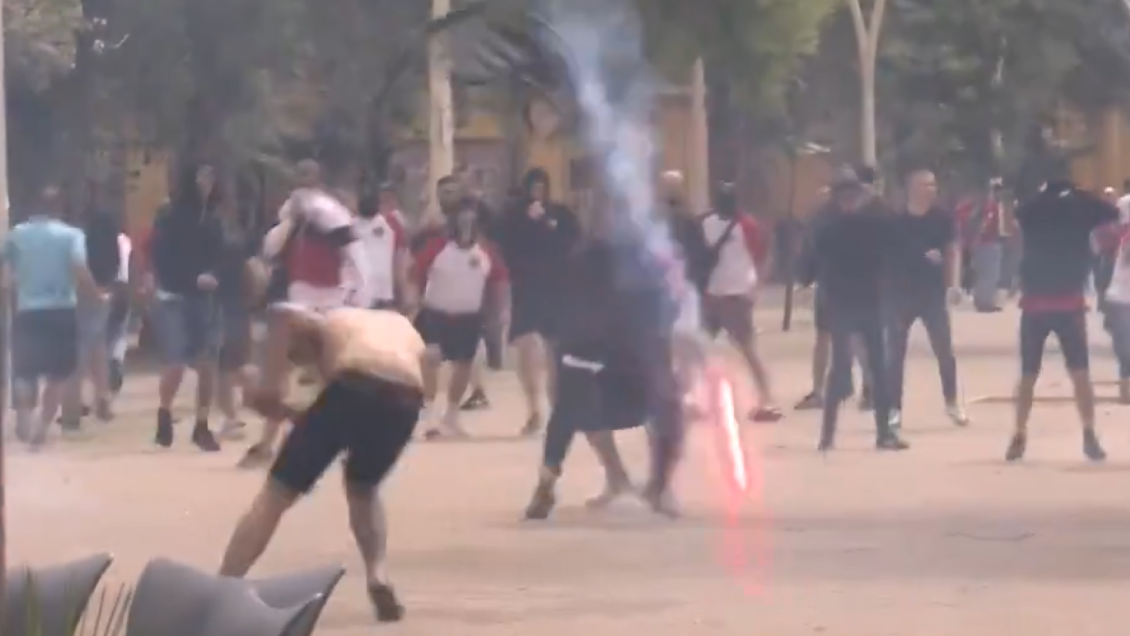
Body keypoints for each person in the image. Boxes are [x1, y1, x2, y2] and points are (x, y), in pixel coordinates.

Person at [218, 306, 423, 623]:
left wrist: (270, 385)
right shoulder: (392, 328)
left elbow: (281, 314)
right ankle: (377, 576)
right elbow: (337, 412)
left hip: (355, 381)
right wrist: (291, 413)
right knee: (363, 488)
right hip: (408, 395)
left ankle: (224, 588)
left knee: (276, 495)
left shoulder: (331, 318)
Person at [524, 196, 685, 519]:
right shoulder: (624, 258)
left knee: (571, 414)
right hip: (608, 348)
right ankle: (638, 483)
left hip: (605, 348)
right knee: (577, 412)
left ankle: (654, 485)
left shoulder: (590, 256)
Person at [240, 176, 370, 467]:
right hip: (302, 301)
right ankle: (267, 444)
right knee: (282, 370)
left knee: (332, 375)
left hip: (333, 304)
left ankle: (344, 441)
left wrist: (357, 301)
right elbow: (270, 249)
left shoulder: (342, 234)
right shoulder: (294, 228)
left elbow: (357, 270)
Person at [1006, 179, 1116, 462]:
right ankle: (1089, 434)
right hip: (1069, 302)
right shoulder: (1082, 206)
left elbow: (1017, 216)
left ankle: (1019, 433)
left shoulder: (1033, 207)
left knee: (1029, 374)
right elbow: (1111, 213)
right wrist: (1080, 192)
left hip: (1036, 302)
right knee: (1080, 373)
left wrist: (1043, 191)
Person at [799, 169, 908, 452]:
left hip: (843, 303)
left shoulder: (826, 225)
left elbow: (808, 263)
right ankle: (882, 434)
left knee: (845, 370)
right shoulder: (873, 222)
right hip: (865, 301)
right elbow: (897, 242)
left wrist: (806, 278)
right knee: (873, 369)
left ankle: (829, 436)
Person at [5, 185, 96, 447]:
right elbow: (79, 267)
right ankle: (42, 429)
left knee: (25, 370)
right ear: (60, 208)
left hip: (27, 310)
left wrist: (11, 287)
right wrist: (94, 294)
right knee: (58, 375)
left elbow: (4, 268)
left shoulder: (16, 235)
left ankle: (24, 412)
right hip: (61, 310)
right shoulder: (72, 235)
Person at [413, 198, 509, 438]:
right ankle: (428, 414)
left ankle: (451, 416)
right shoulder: (437, 248)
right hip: (436, 313)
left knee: (464, 365)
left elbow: (500, 281)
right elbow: (413, 273)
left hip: (469, 317)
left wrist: (501, 311)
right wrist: (414, 300)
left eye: (471, 224)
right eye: (462, 223)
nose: (466, 229)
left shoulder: (487, 252)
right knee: (431, 360)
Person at [145, 163, 224, 451]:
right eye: (203, 176)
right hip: (173, 296)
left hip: (203, 298)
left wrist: (215, 274)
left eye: (212, 177)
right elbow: (159, 253)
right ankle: (164, 414)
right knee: (176, 363)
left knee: (206, 363)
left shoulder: (213, 218)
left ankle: (201, 425)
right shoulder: (169, 215)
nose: (208, 182)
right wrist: (188, 277)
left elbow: (220, 254)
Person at [496, 168, 580, 435]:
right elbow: (503, 243)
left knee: (556, 351)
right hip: (525, 288)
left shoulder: (561, 214)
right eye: (533, 187)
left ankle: (559, 409)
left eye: (542, 187)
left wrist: (546, 223)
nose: (538, 192)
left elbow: (572, 242)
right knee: (528, 344)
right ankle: (534, 408)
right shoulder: (512, 216)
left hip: (556, 288)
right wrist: (526, 222)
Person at [885, 169, 969, 431]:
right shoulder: (896, 219)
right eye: (925, 184)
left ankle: (952, 402)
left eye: (933, 184)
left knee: (944, 349)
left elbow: (953, 250)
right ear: (912, 187)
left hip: (932, 294)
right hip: (901, 293)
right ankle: (893, 408)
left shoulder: (942, 218)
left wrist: (954, 284)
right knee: (895, 353)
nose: (931, 189)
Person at [698, 182, 782, 421]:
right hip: (718, 294)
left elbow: (763, 256)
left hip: (730, 294)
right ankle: (763, 396)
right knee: (710, 347)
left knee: (745, 349)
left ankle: (766, 398)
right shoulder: (717, 223)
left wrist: (756, 287)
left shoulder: (744, 225)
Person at [353, 183, 413, 311]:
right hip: (358, 294)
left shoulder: (391, 223)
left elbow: (400, 258)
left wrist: (403, 292)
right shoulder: (349, 224)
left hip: (381, 294)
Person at [1102, 227, 1130, 403]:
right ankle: (1125, 391)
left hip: (1119, 299)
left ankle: (1125, 391)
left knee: (1125, 350)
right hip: (1121, 300)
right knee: (1126, 351)